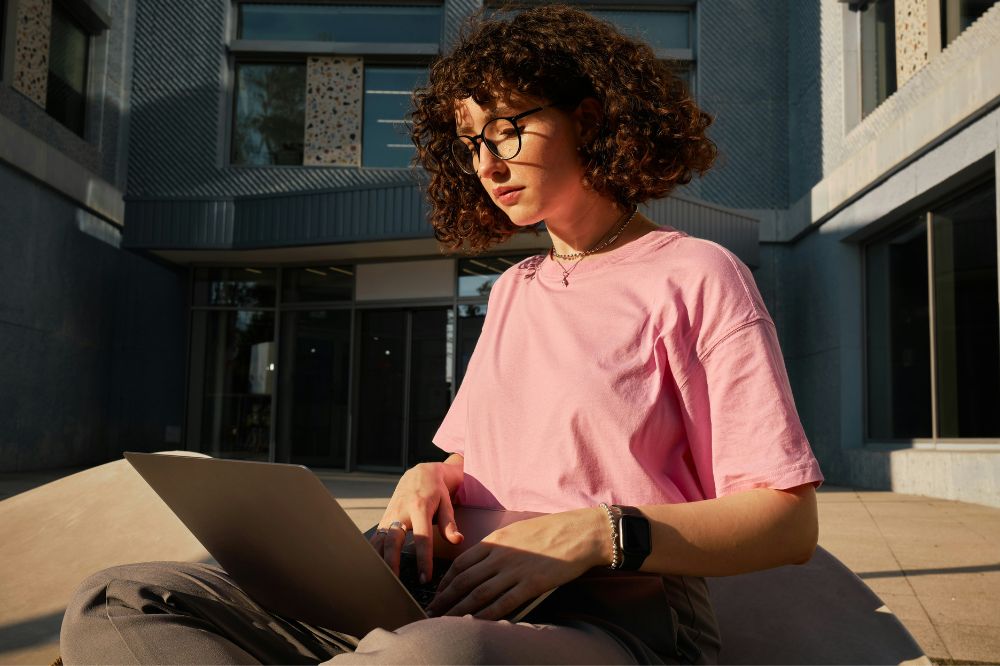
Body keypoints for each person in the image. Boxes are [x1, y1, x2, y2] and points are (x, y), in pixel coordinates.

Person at [60, 5, 823, 665]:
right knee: (120, 597)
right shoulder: (516, 289)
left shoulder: (695, 273)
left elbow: (785, 521)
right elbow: (493, 453)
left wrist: (595, 535)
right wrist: (431, 478)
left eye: (508, 129)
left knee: (438, 656)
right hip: (439, 593)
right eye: (469, 142)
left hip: (608, 614)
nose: (486, 162)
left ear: (588, 120)